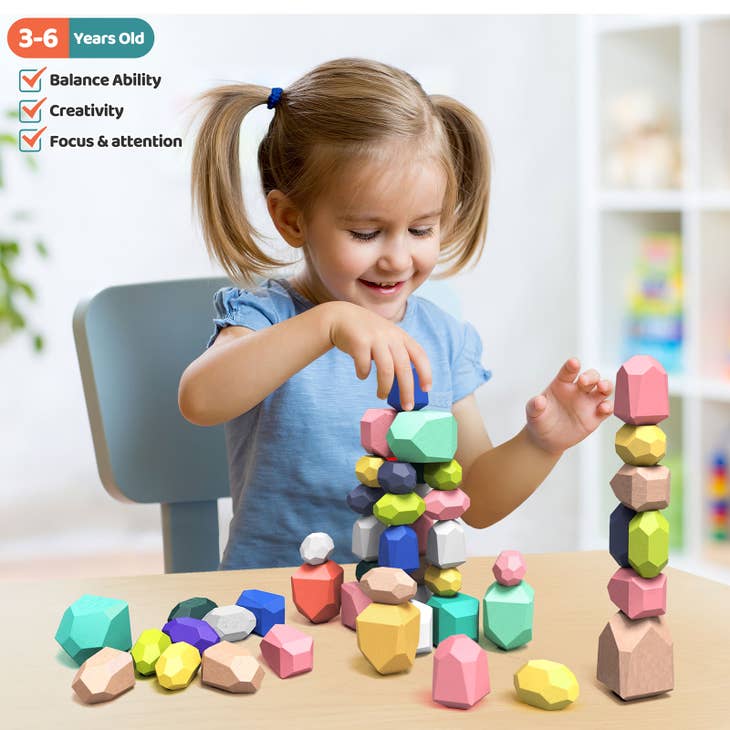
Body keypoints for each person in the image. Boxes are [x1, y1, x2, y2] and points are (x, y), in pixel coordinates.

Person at [179, 58, 613, 570]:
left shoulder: (442, 338)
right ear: (292, 219)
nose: (398, 258)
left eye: (422, 230)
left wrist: (541, 443)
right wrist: (328, 323)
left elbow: (474, 497)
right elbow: (200, 399)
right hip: (277, 604)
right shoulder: (267, 316)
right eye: (365, 233)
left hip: (404, 607)